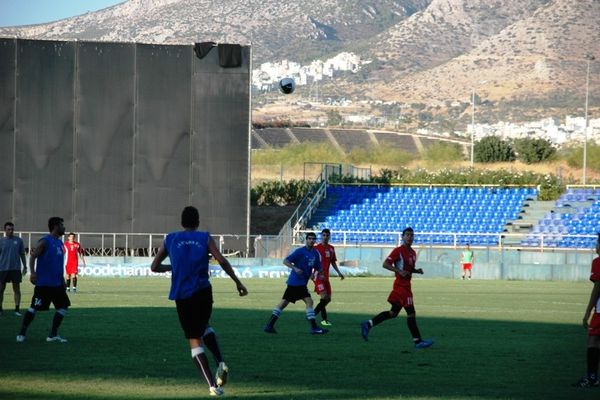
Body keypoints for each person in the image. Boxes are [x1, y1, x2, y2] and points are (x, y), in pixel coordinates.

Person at [150, 206, 248, 397]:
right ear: (198, 221)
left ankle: (213, 386)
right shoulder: (204, 237)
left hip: (183, 295)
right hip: (204, 292)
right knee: (204, 325)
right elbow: (221, 260)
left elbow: (154, 266)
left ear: (181, 222)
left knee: (194, 340)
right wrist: (238, 282)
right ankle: (220, 361)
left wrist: (174, 267)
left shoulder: (170, 238)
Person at [360, 227, 433, 348]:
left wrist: (416, 271)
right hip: (401, 287)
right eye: (407, 235)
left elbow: (407, 269)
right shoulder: (398, 251)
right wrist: (399, 271)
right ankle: (418, 341)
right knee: (411, 313)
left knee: (393, 313)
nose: (410, 237)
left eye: (411, 235)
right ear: (403, 237)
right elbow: (385, 264)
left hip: (406, 286)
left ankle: (368, 324)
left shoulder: (413, 253)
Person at [17, 217, 70, 343]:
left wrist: (62, 280)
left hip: (57, 284)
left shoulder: (60, 243)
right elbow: (33, 256)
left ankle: (52, 335)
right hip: (44, 284)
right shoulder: (45, 241)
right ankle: (22, 332)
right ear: (56, 226)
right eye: (62, 225)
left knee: (63, 307)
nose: (64, 227)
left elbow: (58, 263)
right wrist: (33, 273)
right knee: (34, 308)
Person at [264, 231, 328, 335]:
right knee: (309, 301)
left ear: (315, 241)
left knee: (284, 303)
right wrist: (295, 268)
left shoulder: (315, 253)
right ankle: (314, 327)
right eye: (309, 239)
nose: (311, 241)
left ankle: (269, 325)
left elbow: (318, 267)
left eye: (313, 239)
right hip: (296, 282)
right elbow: (286, 261)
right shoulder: (300, 251)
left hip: (300, 283)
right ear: (306, 240)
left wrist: (320, 274)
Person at [573, 234, 600, 387]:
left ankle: (592, 377)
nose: (596, 247)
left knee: (592, 339)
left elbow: (597, 288)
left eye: (597, 243)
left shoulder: (598, 262)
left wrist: (587, 312)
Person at [313, 228, 344, 326]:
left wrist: (339, 272)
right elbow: (312, 261)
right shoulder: (316, 248)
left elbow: (333, 262)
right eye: (324, 235)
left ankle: (313, 315)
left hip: (326, 277)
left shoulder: (331, 248)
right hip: (317, 276)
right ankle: (321, 319)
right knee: (324, 297)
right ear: (321, 236)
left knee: (328, 299)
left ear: (329, 236)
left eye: (327, 235)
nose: (325, 237)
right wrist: (310, 273)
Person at [0, 222, 27, 316]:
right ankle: (0, 309)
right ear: (5, 230)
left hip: (15, 269)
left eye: (12, 229)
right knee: (1, 289)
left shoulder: (19, 240)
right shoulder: (1, 241)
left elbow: (22, 254)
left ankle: (17, 309)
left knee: (16, 289)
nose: (11, 231)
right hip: (3, 269)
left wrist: (25, 266)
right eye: (9, 229)